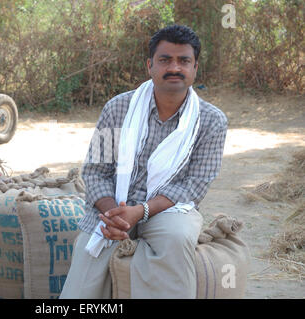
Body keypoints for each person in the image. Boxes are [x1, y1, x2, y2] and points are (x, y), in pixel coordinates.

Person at [60, 25, 228, 299]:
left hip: (168, 210)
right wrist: (115, 215)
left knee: (176, 238)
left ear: (195, 68)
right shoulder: (118, 108)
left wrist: (141, 212)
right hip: (113, 209)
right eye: (165, 60)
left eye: (183, 60)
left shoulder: (211, 120)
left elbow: (195, 186)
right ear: (149, 65)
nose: (174, 67)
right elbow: (94, 172)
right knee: (82, 287)